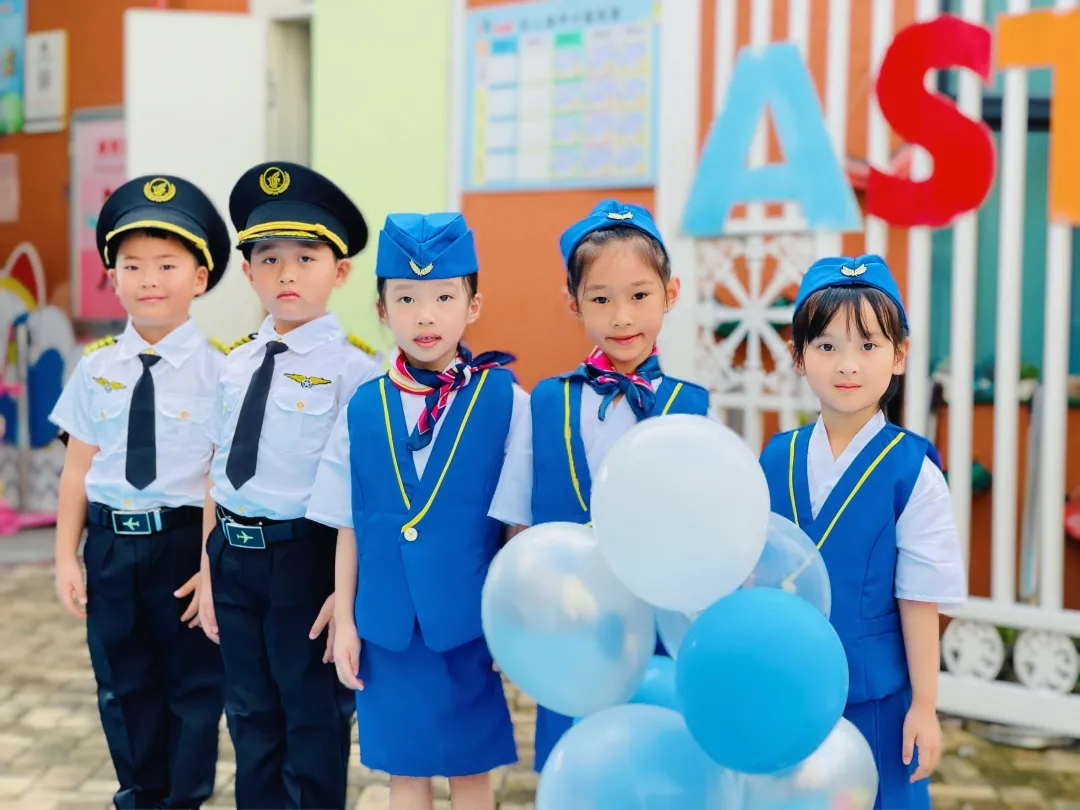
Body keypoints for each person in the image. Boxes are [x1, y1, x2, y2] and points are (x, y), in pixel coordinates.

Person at [486, 198, 714, 772]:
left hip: (664, 619)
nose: (621, 317)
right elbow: (519, 519)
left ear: (671, 292)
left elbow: (714, 517)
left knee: (659, 755)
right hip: (574, 619)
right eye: (601, 299)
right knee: (576, 756)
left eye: (639, 295)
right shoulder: (545, 401)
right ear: (573, 303)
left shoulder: (692, 407)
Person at [308, 212, 524, 810]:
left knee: (472, 767)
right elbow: (350, 523)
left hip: (468, 625)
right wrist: (347, 620)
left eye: (443, 297)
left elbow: (517, 528)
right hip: (387, 628)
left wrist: (511, 623)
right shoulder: (362, 406)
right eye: (405, 298)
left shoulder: (507, 401)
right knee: (403, 773)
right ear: (381, 308)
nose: (424, 315)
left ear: (472, 305)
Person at [198, 162, 381, 809]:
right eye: (269, 258)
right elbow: (217, 471)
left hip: (306, 561)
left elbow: (364, 498)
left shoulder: (357, 372)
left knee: (312, 724)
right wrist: (208, 571)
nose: (287, 273)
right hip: (235, 558)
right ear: (247, 272)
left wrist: (346, 593)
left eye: (307, 256)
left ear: (341, 271)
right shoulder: (234, 363)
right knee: (249, 721)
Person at [758, 254, 967, 810]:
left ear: (899, 356)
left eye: (868, 346)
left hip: (877, 702)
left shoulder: (912, 469)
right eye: (827, 346)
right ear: (799, 357)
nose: (847, 364)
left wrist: (924, 705)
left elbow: (922, 596)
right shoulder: (776, 457)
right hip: (787, 695)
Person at [50, 174, 231, 809]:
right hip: (109, 547)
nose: (148, 278)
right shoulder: (95, 367)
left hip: (182, 547)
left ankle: (184, 801)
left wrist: (212, 566)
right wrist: (64, 557)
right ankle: (139, 797)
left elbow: (219, 479)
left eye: (166, 264)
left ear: (200, 278)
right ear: (113, 276)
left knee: (192, 687)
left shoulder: (222, 372)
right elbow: (78, 469)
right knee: (120, 686)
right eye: (132, 265)